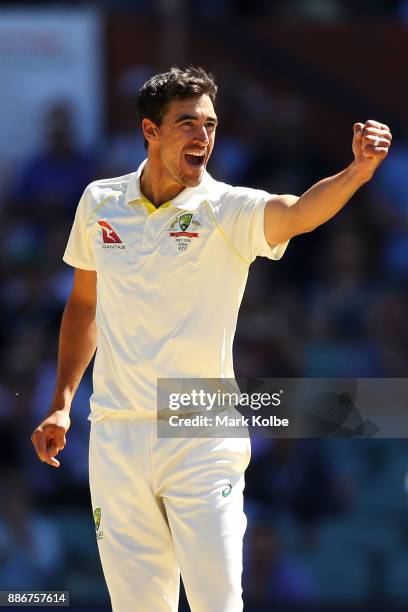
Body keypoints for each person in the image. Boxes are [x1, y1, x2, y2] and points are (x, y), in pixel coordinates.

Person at [31, 66, 392, 611]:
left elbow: (296, 212)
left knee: (216, 604)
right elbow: (84, 304)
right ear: (150, 131)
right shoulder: (99, 202)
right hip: (115, 433)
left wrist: (356, 173)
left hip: (201, 431)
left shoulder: (226, 208)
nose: (203, 136)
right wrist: (61, 404)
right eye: (187, 124)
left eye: (210, 124)